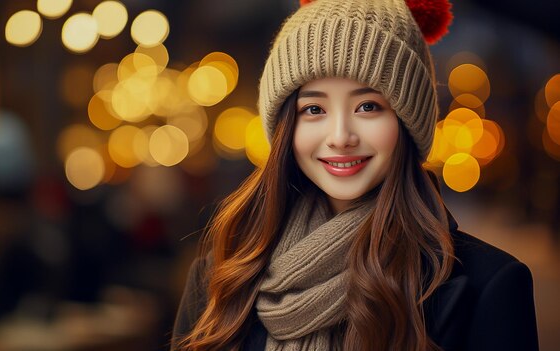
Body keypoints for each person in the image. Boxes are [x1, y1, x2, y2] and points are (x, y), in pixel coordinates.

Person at [171, 0, 539, 350]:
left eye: (368, 106)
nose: (341, 137)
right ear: (285, 127)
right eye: (314, 108)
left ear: (408, 123)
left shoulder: (488, 286)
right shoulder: (220, 280)